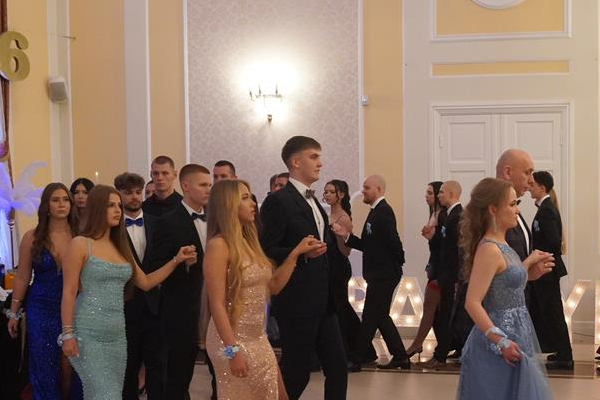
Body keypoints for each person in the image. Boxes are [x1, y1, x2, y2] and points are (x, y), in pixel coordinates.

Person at [61, 185, 197, 400]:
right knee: (103, 393)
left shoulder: (121, 246)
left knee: (112, 393)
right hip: (88, 330)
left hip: (117, 332)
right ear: (97, 208)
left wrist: (176, 260)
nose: (118, 210)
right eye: (110, 205)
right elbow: (69, 291)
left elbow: (146, 282)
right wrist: (68, 334)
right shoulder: (80, 244)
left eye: (119, 206)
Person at [205, 179, 322, 400]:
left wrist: (295, 255)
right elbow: (217, 305)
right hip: (230, 339)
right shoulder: (218, 246)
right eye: (245, 198)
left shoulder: (249, 242)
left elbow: (274, 287)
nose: (253, 204)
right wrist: (232, 351)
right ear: (228, 205)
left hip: (257, 337)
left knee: (278, 395)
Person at [260, 136, 347, 400]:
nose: (320, 163)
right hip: (297, 299)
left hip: (324, 300)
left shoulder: (315, 202)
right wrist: (299, 252)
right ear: (296, 162)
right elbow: (267, 248)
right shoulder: (278, 201)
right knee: (297, 373)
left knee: (338, 368)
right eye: (314, 157)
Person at [456, 178, 554, 400]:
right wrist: (500, 341)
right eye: (512, 204)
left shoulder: (503, 245)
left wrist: (529, 274)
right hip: (498, 343)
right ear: (493, 209)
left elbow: (503, 287)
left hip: (517, 335)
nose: (517, 210)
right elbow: (472, 302)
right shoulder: (489, 250)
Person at [7, 183, 83, 400]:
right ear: (46, 206)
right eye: (55, 200)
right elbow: (22, 277)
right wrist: (13, 312)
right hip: (40, 307)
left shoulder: (81, 236)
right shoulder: (31, 237)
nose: (61, 204)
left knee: (72, 364)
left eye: (65, 200)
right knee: (44, 364)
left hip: (75, 306)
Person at [148, 164, 212, 400]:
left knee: (220, 370)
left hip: (214, 305)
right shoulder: (169, 222)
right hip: (183, 309)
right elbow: (156, 266)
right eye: (203, 185)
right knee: (179, 373)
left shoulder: (215, 218)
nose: (208, 190)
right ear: (186, 186)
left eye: (209, 185)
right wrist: (180, 263)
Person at [332, 175, 408, 372]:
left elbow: (393, 241)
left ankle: (357, 359)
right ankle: (400, 357)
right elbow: (368, 245)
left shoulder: (383, 212)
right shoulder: (376, 212)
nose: (363, 191)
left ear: (378, 190)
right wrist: (346, 236)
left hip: (384, 275)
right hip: (380, 274)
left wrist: (398, 262)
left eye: (366, 188)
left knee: (369, 317)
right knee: (380, 316)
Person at [114, 173, 163, 400]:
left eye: (137, 192)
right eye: (128, 193)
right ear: (118, 194)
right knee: (127, 366)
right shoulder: (111, 228)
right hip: (124, 305)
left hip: (155, 306)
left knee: (156, 366)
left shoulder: (157, 223)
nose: (134, 197)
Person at [323, 179, 376, 362]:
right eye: (326, 191)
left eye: (331, 192)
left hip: (338, 267)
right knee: (337, 307)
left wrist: (340, 235)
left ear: (341, 195)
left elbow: (345, 251)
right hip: (328, 267)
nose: (327, 195)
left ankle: (357, 350)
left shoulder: (343, 218)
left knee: (341, 307)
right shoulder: (327, 214)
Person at [529, 171, 573, 369]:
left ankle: (565, 357)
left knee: (553, 313)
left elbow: (554, 241)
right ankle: (561, 351)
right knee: (550, 312)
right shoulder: (545, 208)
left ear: (542, 188)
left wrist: (540, 257)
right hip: (546, 270)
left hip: (547, 270)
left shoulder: (546, 210)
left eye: (533, 185)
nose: (530, 187)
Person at [421, 180, 463, 368]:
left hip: (452, 275)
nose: (439, 195)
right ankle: (442, 353)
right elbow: (443, 245)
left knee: (447, 316)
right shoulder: (447, 215)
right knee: (444, 315)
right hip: (445, 273)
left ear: (452, 194)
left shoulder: (458, 216)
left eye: (441, 192)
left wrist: (456, 277)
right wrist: (432, 237)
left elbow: (458, 250)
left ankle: (441, 356)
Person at [405, 181, 444, 360]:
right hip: (435, 267)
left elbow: (443, 247)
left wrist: (431, 238)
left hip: (441, 270)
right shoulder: (434, 214)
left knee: (429, 309)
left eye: (430, 193)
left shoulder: (442, 216)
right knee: (434, 311)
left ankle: (417, 344)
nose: (426, 196)